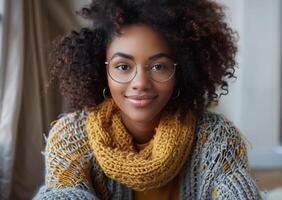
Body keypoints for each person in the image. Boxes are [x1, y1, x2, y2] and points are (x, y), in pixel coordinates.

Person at [34, 0, 262, 199]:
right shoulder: (71, 137)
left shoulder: (216, 138)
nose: (140, 82)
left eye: (159, 66)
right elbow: (63, 192)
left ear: (180, 70)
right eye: (123, 66)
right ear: (101, 70)